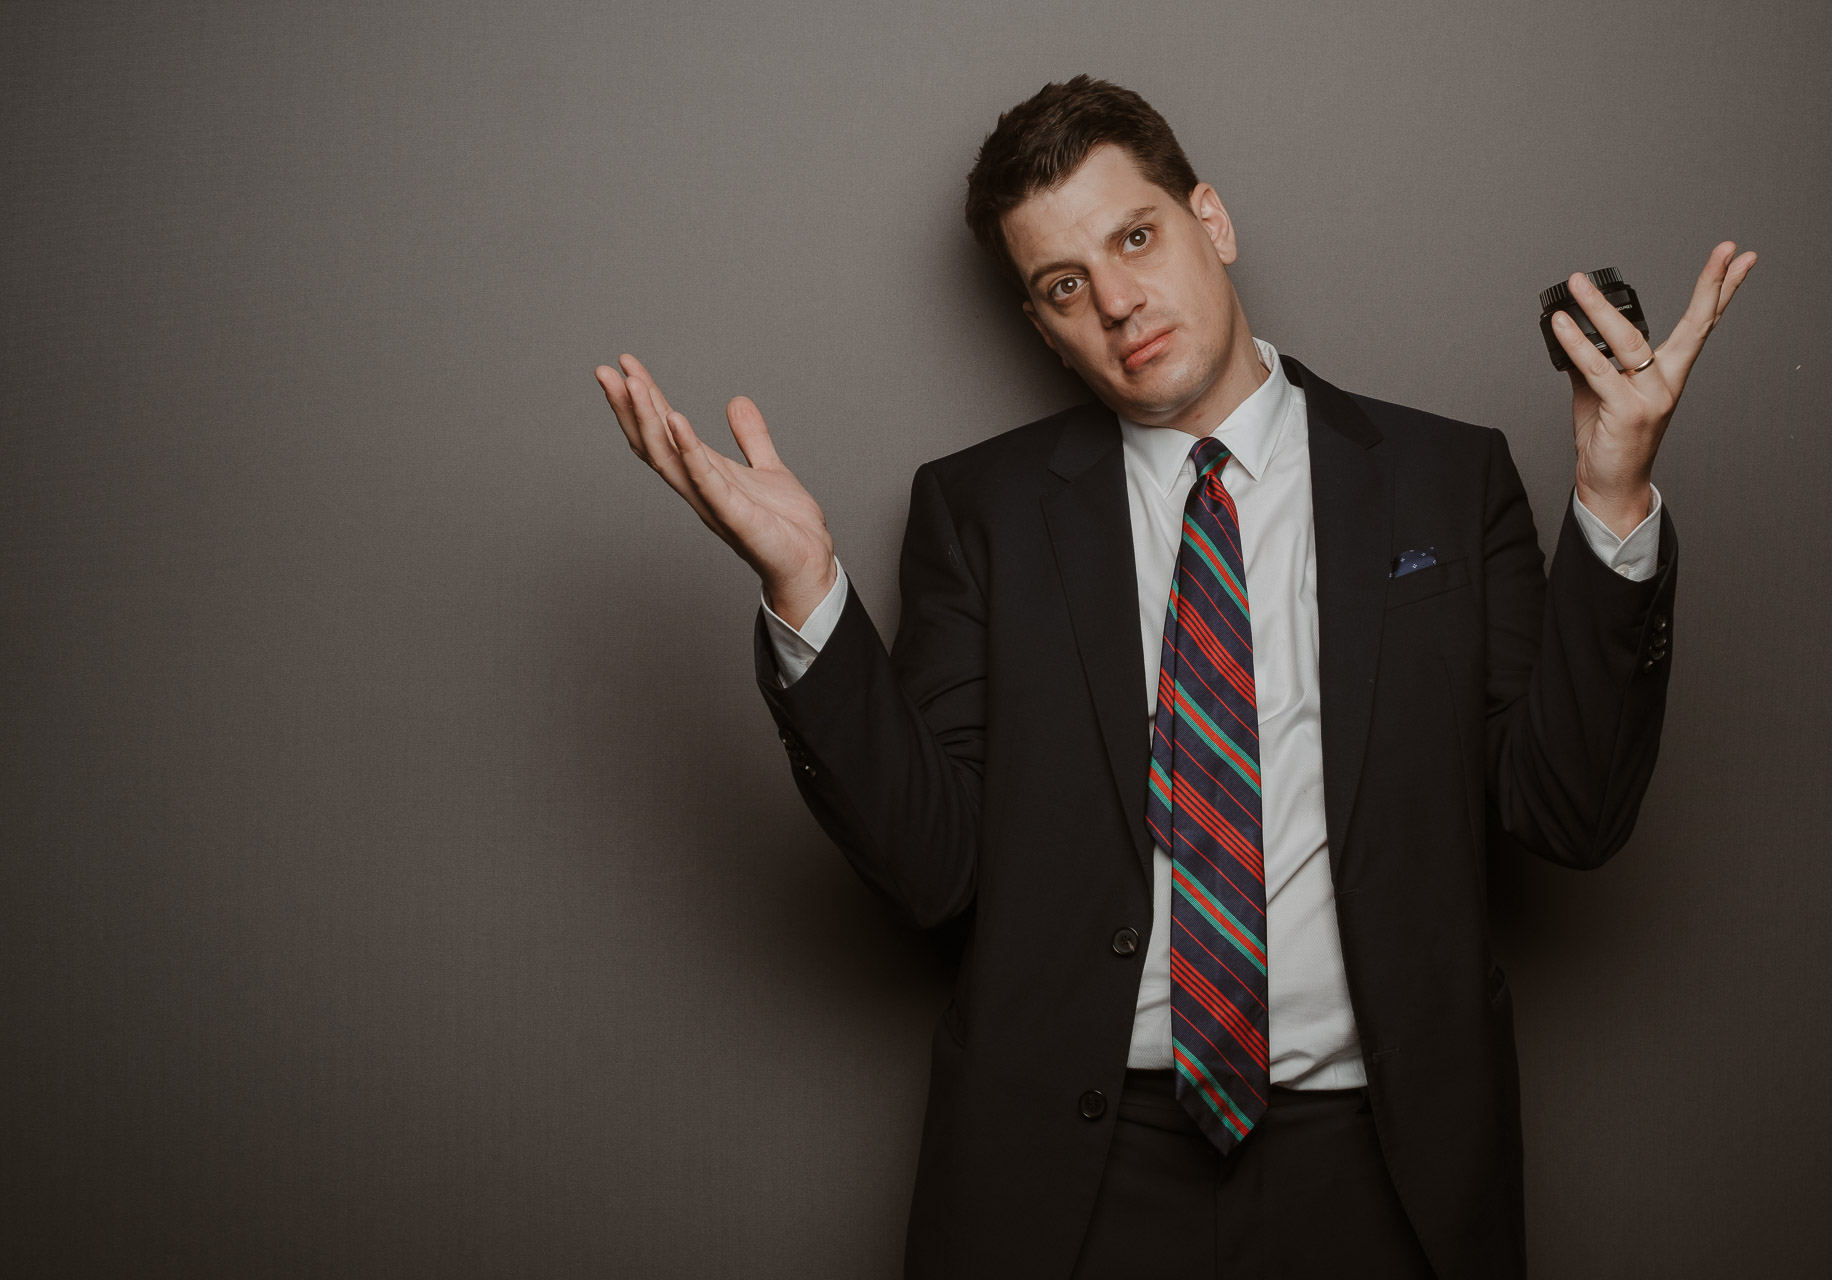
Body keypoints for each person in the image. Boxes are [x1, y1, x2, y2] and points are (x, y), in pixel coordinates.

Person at [596, 75, 1754, 1280]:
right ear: (1041, 326)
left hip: (1379, 1161)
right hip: (1076, 1174)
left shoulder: (1441, 481)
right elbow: (930, 866)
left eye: (1134, 236)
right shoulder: (979, 512)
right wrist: (804, 588)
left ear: (1211, 219)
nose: (1115, 301)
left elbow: (1566, 809)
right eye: (1061, 285)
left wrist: (1612, 499)